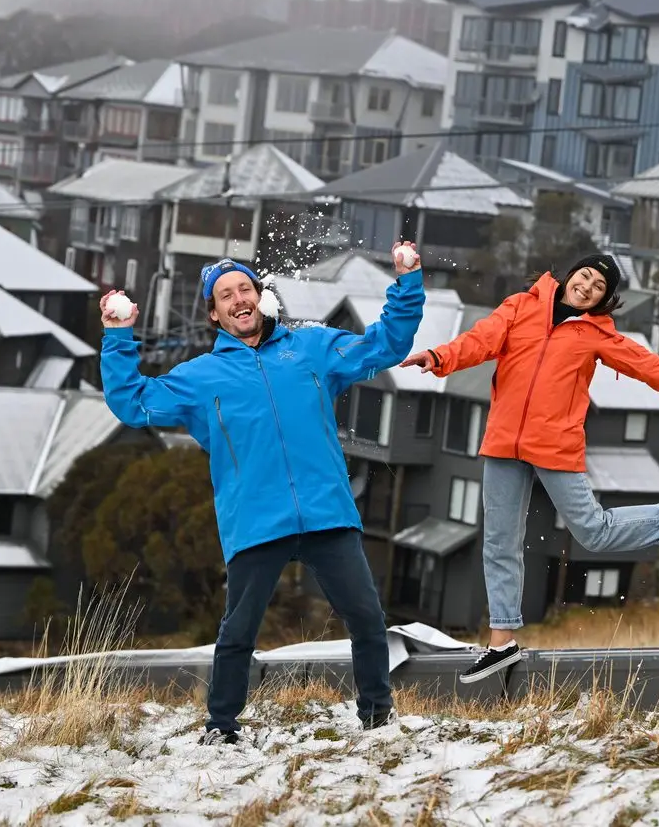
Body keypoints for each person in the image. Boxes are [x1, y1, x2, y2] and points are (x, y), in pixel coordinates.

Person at [99, 245, 426, 743]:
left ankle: (378, 719)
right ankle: (221, 727)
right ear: (214, 313)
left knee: (365, 617)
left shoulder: (312, 349)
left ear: (260, 296)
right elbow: (132, 402)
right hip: (255, 520)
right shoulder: (199, 378)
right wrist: (118, 336)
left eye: (245, 289)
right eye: (225, 295)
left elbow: (387, 346)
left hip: (326, 513)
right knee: (239, 633)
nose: (238, 299)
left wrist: (406, 282)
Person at [400, 254, 659, 684]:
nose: (587, 287)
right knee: (500, 543)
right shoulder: (521, 306)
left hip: (555, 448)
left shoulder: (597, 335)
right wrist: (439, 356)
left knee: (593, 531)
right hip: (504, 443)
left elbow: (652, 370)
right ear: (569, 276)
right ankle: (502, 642)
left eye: (599, 286)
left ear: (603, 300)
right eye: (585, 276)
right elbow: (480, 340)